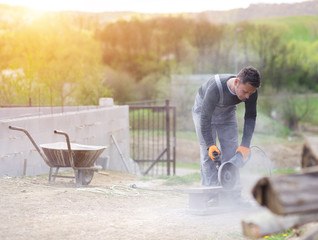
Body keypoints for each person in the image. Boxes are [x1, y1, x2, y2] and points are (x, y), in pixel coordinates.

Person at [192, 66, 261, 186]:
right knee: (209, 156)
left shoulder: (250, 92)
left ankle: (232, 196)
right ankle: (210, 195)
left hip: (227, 113)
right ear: (236, 82)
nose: (247, 97)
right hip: (203, 113)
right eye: (245, 92)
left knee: (232, 154)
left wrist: (245, 145)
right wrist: (210, 145)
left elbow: (250, 116)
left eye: (251, 93)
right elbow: (205, 118)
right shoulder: (215, 87)